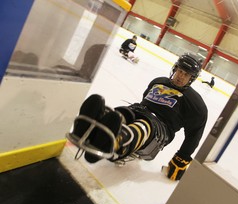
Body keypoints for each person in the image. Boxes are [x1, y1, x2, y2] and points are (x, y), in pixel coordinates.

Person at [67, 53, 208, 181]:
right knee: (118, 115)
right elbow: (144, 100)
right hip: (139, 110)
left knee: (143, 126)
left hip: (159, 128)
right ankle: (87, 129)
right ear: (175, 68)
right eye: (180, 71)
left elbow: (194, 135)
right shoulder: (158, 81)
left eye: (186, 74)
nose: (180, 76)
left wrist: (180, 161)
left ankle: (115, 143)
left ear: (192, 78)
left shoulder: (196, 104)